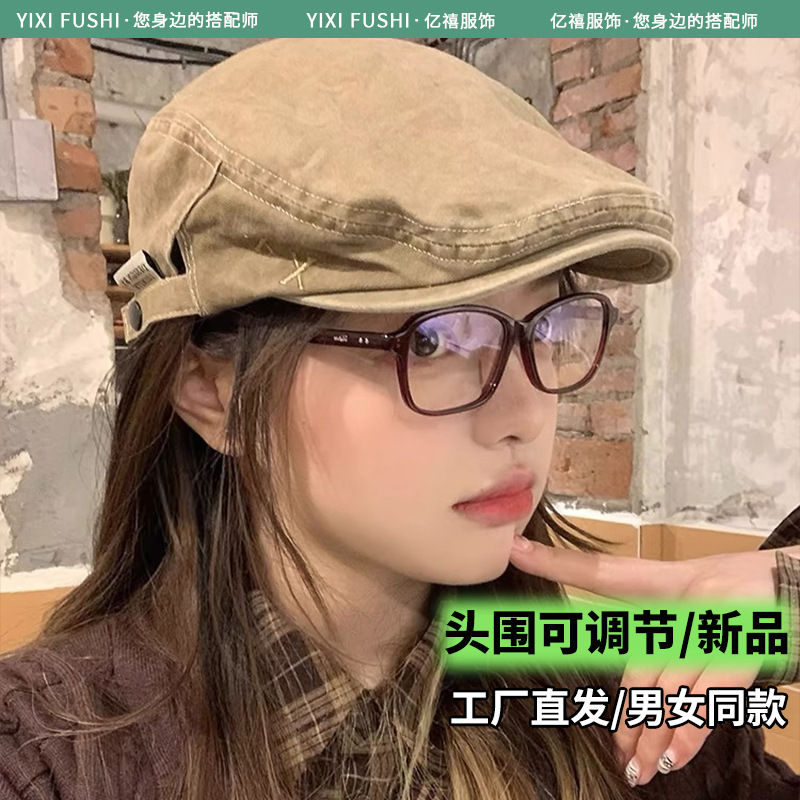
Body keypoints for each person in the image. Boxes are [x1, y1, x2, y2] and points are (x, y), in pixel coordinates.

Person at [0, 38, 798, 800]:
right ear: (214, 394)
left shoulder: (635, 716)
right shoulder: (50, 758)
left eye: (548, 326)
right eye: (436, 341)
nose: (523, 414)